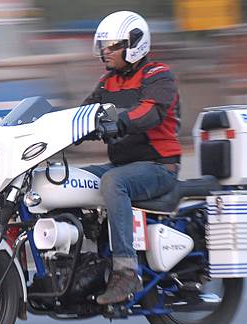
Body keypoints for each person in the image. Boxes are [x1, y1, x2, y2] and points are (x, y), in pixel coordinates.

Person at [82, 11, 182, 305]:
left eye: (112, 46)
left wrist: (117, 122)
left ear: (134, 44)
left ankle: (126, 271)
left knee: (113, 182)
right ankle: (86, 260)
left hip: (159, 167)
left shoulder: (158, 75)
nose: (105, 51)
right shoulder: (107, 83)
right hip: (123, 165)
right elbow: (79, 115)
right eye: (103, 46)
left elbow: (150, 112)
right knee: (74, 180)